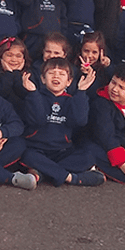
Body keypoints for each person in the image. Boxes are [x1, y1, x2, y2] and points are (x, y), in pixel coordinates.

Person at [19, 57, 104, 186]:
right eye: (51, 73)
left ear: (69, 82)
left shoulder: (72, 100)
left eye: (61, 74)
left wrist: (81, 91)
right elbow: (38, 120)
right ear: (43, 79)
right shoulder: (35, 97)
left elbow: (80, 121)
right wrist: (33, 93)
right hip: (37, 149)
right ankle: (71, 178)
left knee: (88, 156)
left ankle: (42, 173)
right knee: (27, 156)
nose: (56, 76)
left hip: (62, 151)